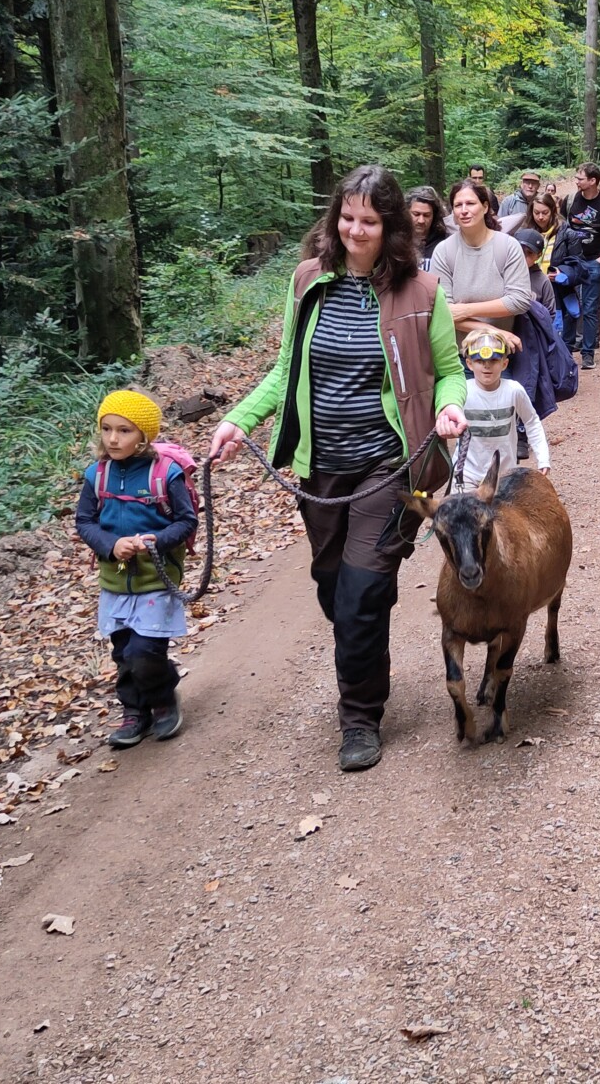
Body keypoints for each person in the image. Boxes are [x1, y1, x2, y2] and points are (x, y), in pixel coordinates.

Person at [209, 166, 468, 773]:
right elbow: (285, 369)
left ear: (391, 226)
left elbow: (449, 369)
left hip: (390, 466)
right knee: (334, 585)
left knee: (359, 594)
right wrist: (239, 420)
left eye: (369, 220)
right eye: (347, 217)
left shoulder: (423, 292)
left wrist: (450, 404)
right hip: (321, 467)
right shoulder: (308, 280)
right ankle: (364, 613)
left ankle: (359, 717)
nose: (356, 230)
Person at [75, 389, 195, 748]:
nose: (113, 438)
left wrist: (156, 540)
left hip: (156, 579)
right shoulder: (97, 475)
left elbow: (186, 521)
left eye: (124, 430)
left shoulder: (165, 474)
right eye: (107, 429)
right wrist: (110, 546)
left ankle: (162, 699)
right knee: (122, 651)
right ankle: (134, 711)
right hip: (115, 582)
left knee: (144, 652)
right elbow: (85, 521)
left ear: (144, 434)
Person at [430, 179, 534, 352]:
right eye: (458, 205)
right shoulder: (444, 251)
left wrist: (465, 310)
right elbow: (444, 311)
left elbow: (519, 300)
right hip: (460, 355)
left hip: (502, 354)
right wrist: (493, 331)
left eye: (470, 203)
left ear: (485, 207)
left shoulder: (507, 246)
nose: (464, 210)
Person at [456, 330, 551, 483]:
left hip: (505, 476)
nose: (487, 366)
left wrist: (543, 458)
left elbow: (531, 421)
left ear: (504, 364)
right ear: (469, 364)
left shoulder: (514, 391)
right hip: (467, 475)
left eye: (493, 360)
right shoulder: (461, 392)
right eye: (479, 361)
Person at [553, 161, 600, 369]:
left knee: (591, 308)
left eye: (580, 178)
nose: (576, 181)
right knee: (569, 305)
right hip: (571, 262)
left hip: (594, 261)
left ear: (592, 181)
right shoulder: (570, 200)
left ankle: (588, 353)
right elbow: (560, 227)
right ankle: (566, 350)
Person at [512, 227, 558, 313]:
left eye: (530, 253)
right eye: (520, 250)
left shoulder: (543, 281)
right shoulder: (504, 271)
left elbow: (550, 313)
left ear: (539, 255)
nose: (524, 256)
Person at [407, 186, 450, 270]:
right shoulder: (397, 241)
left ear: (434, 215)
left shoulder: (445, 243)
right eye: (416, 214)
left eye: (426, 215)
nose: (421, 220)